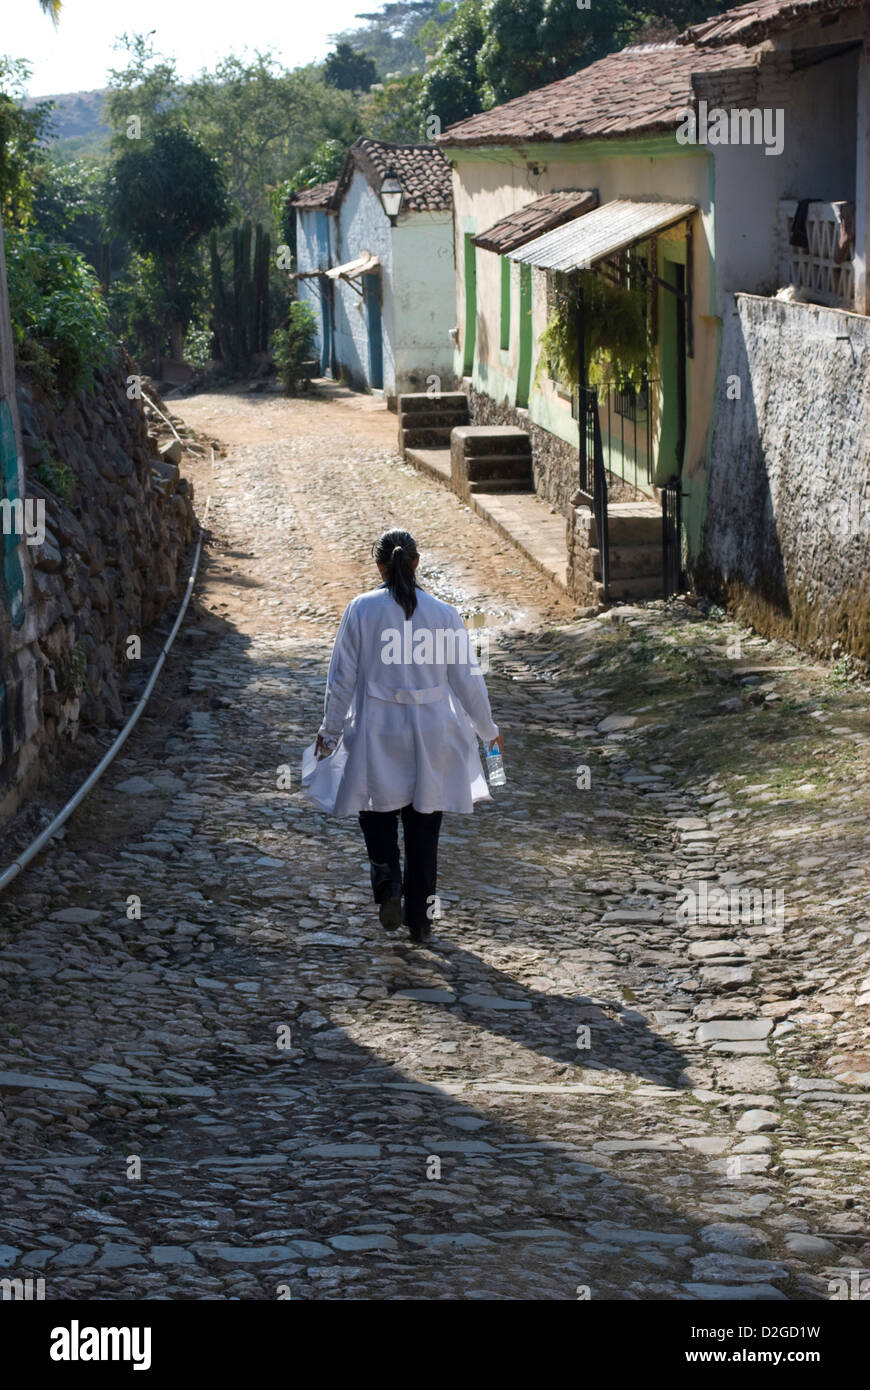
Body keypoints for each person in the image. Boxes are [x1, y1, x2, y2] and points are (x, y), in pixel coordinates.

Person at [303, 528, 503, 943]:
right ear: (416, 563)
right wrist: (489, 732)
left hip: (378, 725)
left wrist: (330, 730)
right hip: (432, 732)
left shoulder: (361, 610)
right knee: (424, 822)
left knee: (375, 811)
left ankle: (388, 884)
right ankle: (420, 918)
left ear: (379, 565)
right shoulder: (445, 614)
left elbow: (341, 678)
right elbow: (468, 681)